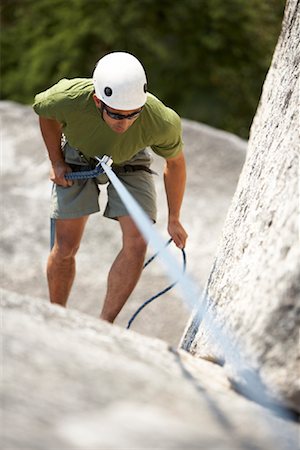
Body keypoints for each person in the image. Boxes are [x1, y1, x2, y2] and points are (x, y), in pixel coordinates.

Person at [33, 51, 188, 323]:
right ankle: (56, 316)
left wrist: (174, 218)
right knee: (66, 245)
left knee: (138, 240)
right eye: (116, 115)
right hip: (78, 157)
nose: (124, 123)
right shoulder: (68, 98)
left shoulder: (161, 120)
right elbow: (46, 116)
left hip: (131, 160)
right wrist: (56, 162)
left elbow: (175, 163)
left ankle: (105, 324)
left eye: (132, 115)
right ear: (97, 101)